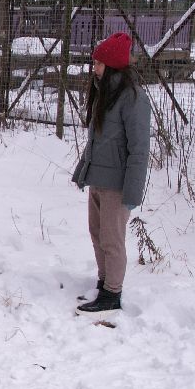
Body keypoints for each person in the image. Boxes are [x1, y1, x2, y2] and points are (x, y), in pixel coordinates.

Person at [70, 31, 150, 315]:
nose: (95, 67)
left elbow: (139, 151)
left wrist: (132, 193)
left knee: (112, 239)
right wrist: (83, 173)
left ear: (112, 65)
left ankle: (113, 293)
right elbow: (96, 142)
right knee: (97, 233)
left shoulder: (133, 99)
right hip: (98, 179)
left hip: (117, 185)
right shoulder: (106, 93)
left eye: (99, 63)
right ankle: (103, 285)